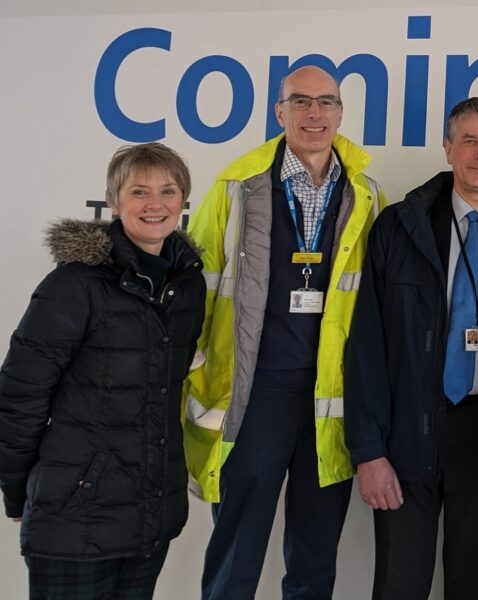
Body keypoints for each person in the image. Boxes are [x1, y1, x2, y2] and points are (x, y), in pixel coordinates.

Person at [186, 65, 385, 599]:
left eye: (326, 102)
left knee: (315, 558)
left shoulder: (367, 194)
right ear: (279, 112)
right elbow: (194, 287)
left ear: (341, 113)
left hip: (330, 400)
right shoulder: (237, 185)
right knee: (236, 552)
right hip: (253, 396)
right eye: (300, 102)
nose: (314, 114)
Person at [345, 97, 478, 600]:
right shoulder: (398, 227)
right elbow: (366, 345)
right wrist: (368, 451)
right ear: (447, 147)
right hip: (408, 430)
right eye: (470, 141)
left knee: (475, 586)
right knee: (398, 585)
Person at [0, 143, 204, 599]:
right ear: (115, 202)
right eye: (139, 192)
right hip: (75, 517)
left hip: (150, 519)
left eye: (168, 191)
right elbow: (20, 393)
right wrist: (17, 488)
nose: (156, 205)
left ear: (183, 200)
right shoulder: (75, 284)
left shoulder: (187, 285)